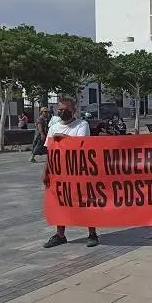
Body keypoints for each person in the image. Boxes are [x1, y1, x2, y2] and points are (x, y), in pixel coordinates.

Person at [42, 97, 99, 248]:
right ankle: (60, 235)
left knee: (85, 202)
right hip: (59, 172)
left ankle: (92, 233)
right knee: (59, 202)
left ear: (73, 110)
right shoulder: (53, 128)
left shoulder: (82, 125)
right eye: (59, 109)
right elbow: (50, 151)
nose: (62, 112)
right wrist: (46, 171)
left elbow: (79, 145)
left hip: (79, 171)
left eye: (65, 109)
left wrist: (61, 139)